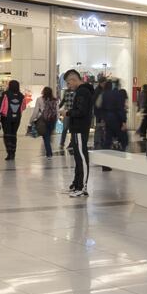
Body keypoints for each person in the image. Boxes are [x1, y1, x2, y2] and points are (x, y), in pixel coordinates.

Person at [61, 69, 95, 198]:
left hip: (80, 129)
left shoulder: (82, 92)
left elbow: (81, 111)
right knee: (78, 158)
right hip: (77, 129)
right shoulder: (81, 92)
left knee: (82, 158)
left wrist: (67, 113)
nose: (68, 86)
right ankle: (76, 184)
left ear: (73, 79)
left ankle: (82, 187)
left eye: (69, 83)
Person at [0, 79, 25, 160]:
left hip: (6, 118)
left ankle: (9, 153)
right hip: (17, 118)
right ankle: (13, 153)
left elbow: (0, 106)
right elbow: (23, 107)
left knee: (7, 135)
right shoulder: (21, 96)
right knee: (13, 135)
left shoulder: (5, 94)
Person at [97, 77, 129, 152]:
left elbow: (99, 106)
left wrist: (103, 118)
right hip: (116, 118)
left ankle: (106, 156)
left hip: (107, 118)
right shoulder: (118, 94)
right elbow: (121, 108)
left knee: (108, 138)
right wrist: (124, 121)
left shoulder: (104, 94)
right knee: (123, 138)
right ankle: (122, 152)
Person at [33, 85, 57, 160]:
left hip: (43, 120)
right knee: (48, 136)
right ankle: (48, 152)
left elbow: (36, 111)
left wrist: (32, 120)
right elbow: (57, 111)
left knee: (46, 137)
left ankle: (49, 153)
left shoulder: (39, 99)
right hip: (52, 120)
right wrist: (56, 120)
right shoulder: (54, 100)